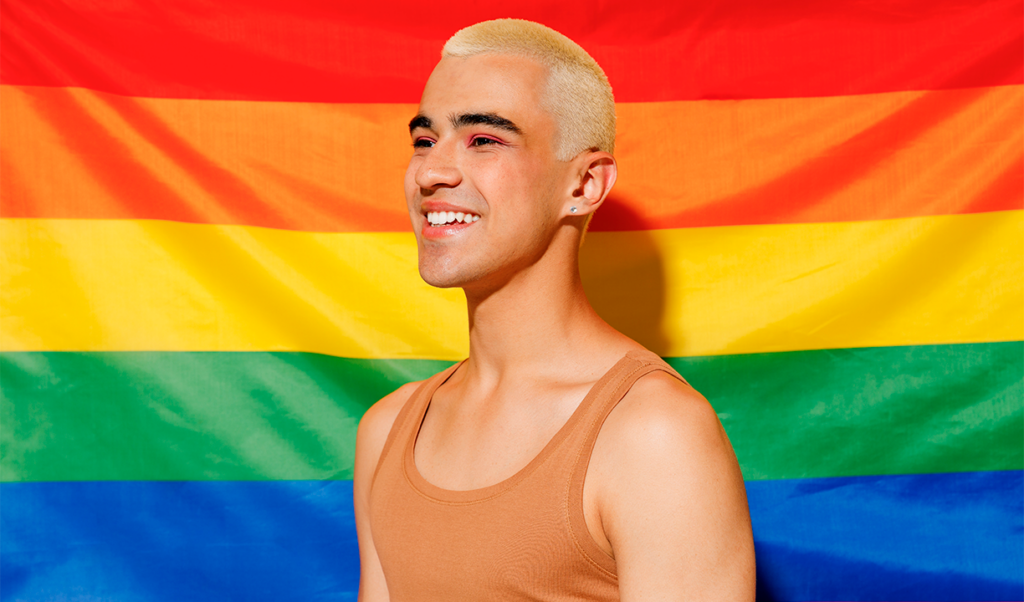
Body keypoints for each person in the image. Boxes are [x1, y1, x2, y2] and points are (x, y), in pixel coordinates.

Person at [353, 18, 755, 601]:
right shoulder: (387, 430)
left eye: (484, 140)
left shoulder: (654, 436)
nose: (432, 172)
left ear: (585, 184)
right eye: (424, 140)